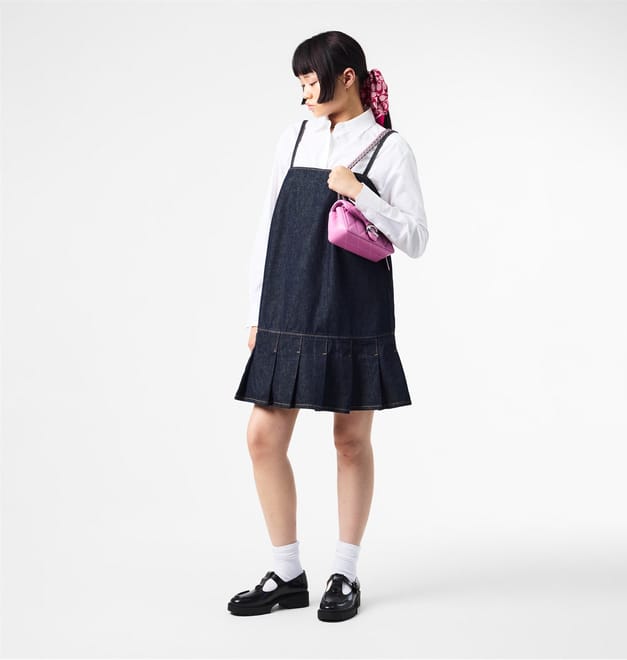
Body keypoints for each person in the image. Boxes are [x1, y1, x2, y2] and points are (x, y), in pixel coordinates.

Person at [229, 30, 429, 622]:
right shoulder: (295, 137)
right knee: (262, 437)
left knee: (349, 442)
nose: (304, 96)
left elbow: (416, 238)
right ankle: (287, 573)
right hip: (287, 305)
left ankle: (345, 571)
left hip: (353, 307)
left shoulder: (389, 148)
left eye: (311, 82)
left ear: (347, 78)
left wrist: (359, 193)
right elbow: (268, 229)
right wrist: (256, 313)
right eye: (300, 85)